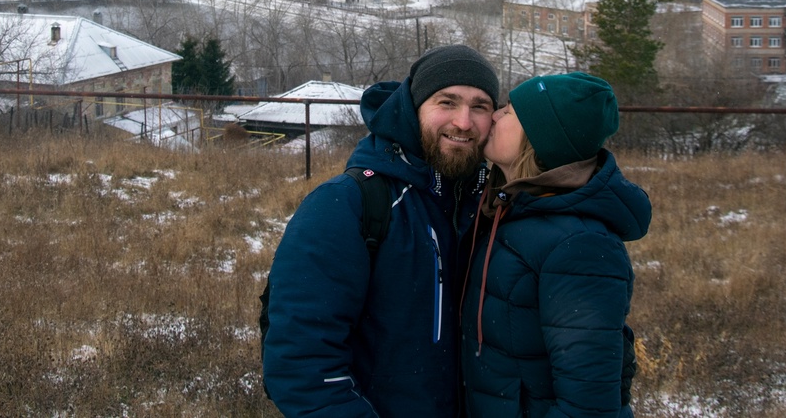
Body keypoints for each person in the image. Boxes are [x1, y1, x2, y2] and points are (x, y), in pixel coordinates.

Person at [262, 44, 500, 417]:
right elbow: (302, 365)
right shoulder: (348, 205)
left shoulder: (491, 206)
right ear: (413, 107)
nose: (464, 122)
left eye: (480, 106)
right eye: (447, 102)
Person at [461, 72, 651, 417]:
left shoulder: (580, 247)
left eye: (509, 112)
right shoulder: (512, 210)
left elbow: (589, 407)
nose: (494, 115)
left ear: (539, 140)